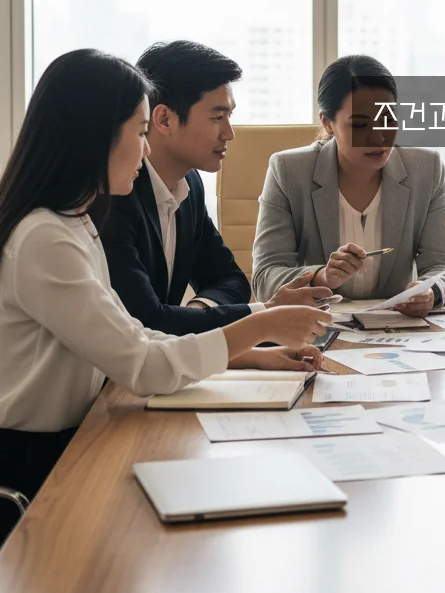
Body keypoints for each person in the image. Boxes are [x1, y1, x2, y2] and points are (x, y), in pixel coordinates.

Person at [0, 50, 331, 541]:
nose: (145, 150)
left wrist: (251, 358)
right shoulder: (46, 239)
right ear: (96, 136)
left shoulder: (69, 226)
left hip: (78, 437)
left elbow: (139, 338)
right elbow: (141, 365)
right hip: (36, 464)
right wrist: (261, 325)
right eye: (137, 133)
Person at [100, 41, 330, 336]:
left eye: (229, 117)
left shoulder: (190, 185)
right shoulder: (115, 198)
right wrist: (263, 314)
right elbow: (146, 322)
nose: (229, 133)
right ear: (164, 119)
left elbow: (232, 281)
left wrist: (195, 313)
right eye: (217, 117)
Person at [252, 54, 445, 315]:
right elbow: (265, 277)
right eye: (360, 124)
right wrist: (322, 277)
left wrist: (430, 292)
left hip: (398, 332)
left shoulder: (426, 169)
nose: (379, 136)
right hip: (318, 327)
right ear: (328, 123)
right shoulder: (288, 171)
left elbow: (444, 265)